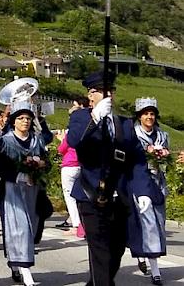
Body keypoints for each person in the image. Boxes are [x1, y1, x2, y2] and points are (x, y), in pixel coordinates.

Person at [67, 71, 156, 286]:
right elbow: (74, 140)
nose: (107, 96)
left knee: (116, 249)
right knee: (100, 251)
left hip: (119, 198)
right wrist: (94, 117)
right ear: (91, 95)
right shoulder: (80, 117)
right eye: (101, 92)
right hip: (92, 196)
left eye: (110, 91)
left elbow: (137, 160)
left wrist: (143, 192)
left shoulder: (124, 124)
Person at [0, 97, 50, 286]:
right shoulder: (5, 141)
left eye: (27, 118)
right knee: (20, 229)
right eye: (20, 118)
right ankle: (26, 273)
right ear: (14, 121)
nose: (25, 121)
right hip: (13, 190)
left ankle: (16, 262)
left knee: (31, 227)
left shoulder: (37, 140)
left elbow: (47, 162)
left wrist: (40, 165)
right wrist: (18, 175)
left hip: (33, 190)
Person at [128, 97, 170, 286]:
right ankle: (155, 271)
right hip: (140, 182)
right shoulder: (133, 134)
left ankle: (144, 254)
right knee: (148, 224)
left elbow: (167, 156)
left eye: (152, 114)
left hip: (158, 183)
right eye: (146, 113)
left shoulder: (163, 136)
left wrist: (164, 155)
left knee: (159, 223)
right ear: (139, 117)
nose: (149, 117)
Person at [55, 99, 86, 238]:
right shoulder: (86, 130)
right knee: (81, 196)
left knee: (70, 197)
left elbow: (62, 149)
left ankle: (76, 225)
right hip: (81, 165)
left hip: (69, 165)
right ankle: (82, 224)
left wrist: (61, 140)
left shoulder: (71, 132)